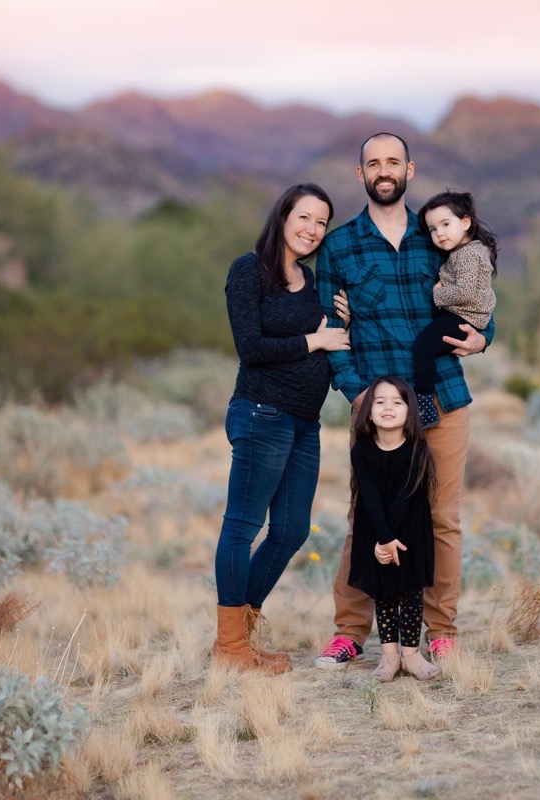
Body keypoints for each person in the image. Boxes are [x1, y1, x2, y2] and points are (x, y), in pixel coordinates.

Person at [313, 132, 494, 669]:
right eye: (374, 163)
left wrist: (487, 335)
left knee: (442, 518)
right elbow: (329, 327)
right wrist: (356, 391)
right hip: (379, 408)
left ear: (410, 170)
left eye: (393, 161)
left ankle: (441, 633)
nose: (383, 170)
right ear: (360, 174)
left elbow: (478, 289)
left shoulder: (435, 233)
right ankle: (350, 632)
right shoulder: (340, 246)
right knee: (365, 516)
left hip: (443, 394)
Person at [212, 183, 350, 675]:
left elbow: (333, 342)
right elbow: (250, 347)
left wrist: (340, 327)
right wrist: (314, 339)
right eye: (305, 217)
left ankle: (239, 641)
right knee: (243, 526)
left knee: (290, 530)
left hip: (304, 423)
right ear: (283, 216)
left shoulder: (313, 283)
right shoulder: (249, 270)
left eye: (321, 223)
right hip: (261, 412)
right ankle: (230, 649)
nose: (312, 229)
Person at [348, 375, 439, 682]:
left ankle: (411, 655)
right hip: (375, 531)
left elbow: (406, 496)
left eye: (397, 402)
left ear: (410, 412)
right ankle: (389, 658)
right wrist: (381, 540)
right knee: (384, 593)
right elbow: (370, 497)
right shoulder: (361, 450)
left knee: (411, 593)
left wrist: (391, 541)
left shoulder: (418, 449)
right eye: (380, 401)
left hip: (410, 532)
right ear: (368, 412)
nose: (388, 407)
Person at [413, 191, 498, 429]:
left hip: (462, 318)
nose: (438, 233)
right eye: (432, 229)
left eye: (445, 224)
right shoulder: (465, 251)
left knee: (422, 348)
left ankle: (425, 407)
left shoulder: (469, 254)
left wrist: (436, 293)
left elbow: (466, 292)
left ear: (465, 222)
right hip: (463, 316)